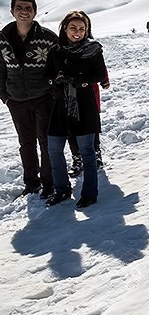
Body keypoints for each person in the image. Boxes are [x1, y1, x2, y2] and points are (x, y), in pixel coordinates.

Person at [43, 10, 107, 208]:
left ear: (87, 30)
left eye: (82, 28)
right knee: (53, 148)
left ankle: (89, 193)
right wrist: (56, 81)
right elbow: (47, 75)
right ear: (64, 27)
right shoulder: (55, 51)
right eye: (73, 28)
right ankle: (62, 190)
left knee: (87, 150)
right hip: (61, 105)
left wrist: (78, 81)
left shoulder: (93, 49)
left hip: (85, 106)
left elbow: (99, 74)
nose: (77, 32)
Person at [0, 0, 59, 199]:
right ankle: (32, 183)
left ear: (35, 12)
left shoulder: (49, 38)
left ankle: (49, 182)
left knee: (46, 141)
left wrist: (53, 92)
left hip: (43, 97)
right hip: (16, 100)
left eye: (28, 8)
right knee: (26, 143)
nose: (23, 11)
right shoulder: (2, 38)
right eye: (19, 7)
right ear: (12, 11)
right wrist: (4, 96)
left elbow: (59, 68)